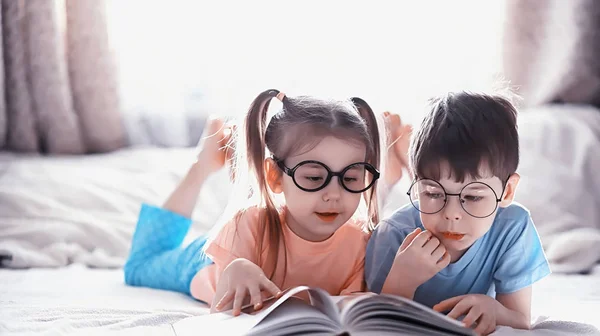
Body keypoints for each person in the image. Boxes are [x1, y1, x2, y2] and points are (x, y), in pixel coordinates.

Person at [124, 89, 411, 316]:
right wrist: (235, 269)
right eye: (313, 178)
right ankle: (202, 165)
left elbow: (352, 309)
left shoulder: (360, 242)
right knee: (140, 265)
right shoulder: (247, 223)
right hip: (205, 261)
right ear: (275, 177)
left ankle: (386, 176)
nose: (333, 194)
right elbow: (223, 313)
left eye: (350, 178)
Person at [364, 91, 551, 335]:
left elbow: (520, 320)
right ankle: (392, 172)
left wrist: (494, 310)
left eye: (473, 197)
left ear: (506, 192)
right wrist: (402, 281)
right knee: (369, 213)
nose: (452, 215)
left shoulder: (513, 226)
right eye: (433, 193)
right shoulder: (394, 234)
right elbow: (372, 325)